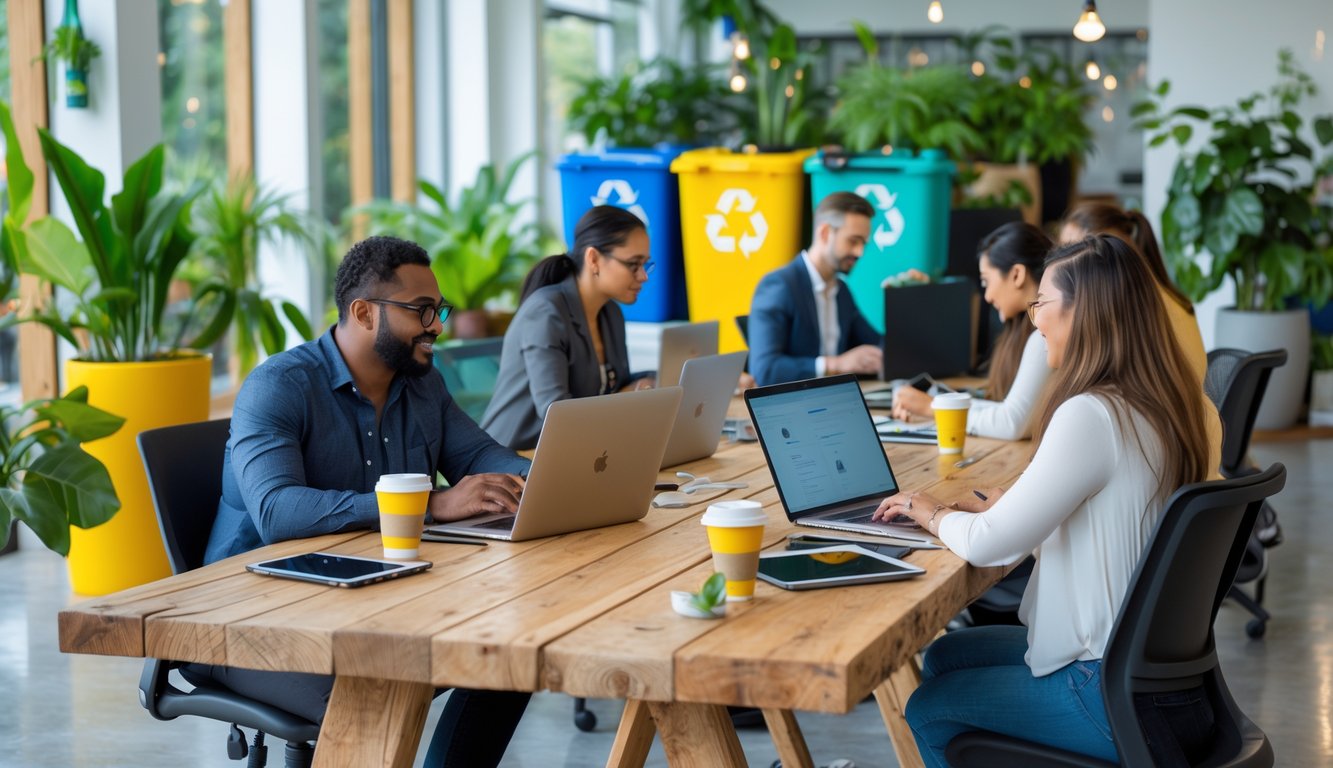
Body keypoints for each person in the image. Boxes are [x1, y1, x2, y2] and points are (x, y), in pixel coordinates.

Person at [871, 235, 1221, 766]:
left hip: (1109, 694)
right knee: (944, 654)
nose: (1034, 321)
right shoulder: (1168, 402)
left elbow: (989, 546)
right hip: (1166, 685)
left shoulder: (1092, 414)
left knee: (930, 707)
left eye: (1042, 304)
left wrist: (931, 511)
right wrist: (1008, 509)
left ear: (1089, 312)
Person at [200, 236, 532, 767]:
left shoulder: (421, 386)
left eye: (439, 309)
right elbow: (277, 512)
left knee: (511, 648)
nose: (438, 325)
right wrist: (430, 505)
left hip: (374, 599)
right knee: (374, 689)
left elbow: (483, 457)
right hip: (250, 621)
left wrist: (550, 477)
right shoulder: (279, 387)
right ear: (362, 312)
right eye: (422, 310)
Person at [481, 205, 655, 450]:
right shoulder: (545, 313)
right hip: (513, 460)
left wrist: (650, 383)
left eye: (646, 264)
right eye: (633, 264)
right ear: (593, 259)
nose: (643, 276)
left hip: (570, 452)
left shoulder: (610, 313)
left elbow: (617, 387)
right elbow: (557, 413)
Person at [890, 222, 1055, 440]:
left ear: (1016, 274)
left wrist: (933, 408)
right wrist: (943, 402)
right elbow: (1005, 410)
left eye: (986, 281)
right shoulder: (1026, 332)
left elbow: (1011, 423)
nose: (987, 296)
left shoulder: (1043, 337)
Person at [747, 191, 892, 386]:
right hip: (793, 406)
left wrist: (907, 292)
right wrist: (836, 365)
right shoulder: (779, 286)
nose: (860, 252)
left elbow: (878, 344)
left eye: (863, 243)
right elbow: (765, 370)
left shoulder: (840, 290)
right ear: (825, 233)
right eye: (853, 241)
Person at [1060, 202, 1207, 385]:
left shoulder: (1133, 301)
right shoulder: (1162, 292)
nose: (1060, 265)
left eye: (1070, 252)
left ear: (1106, 252)